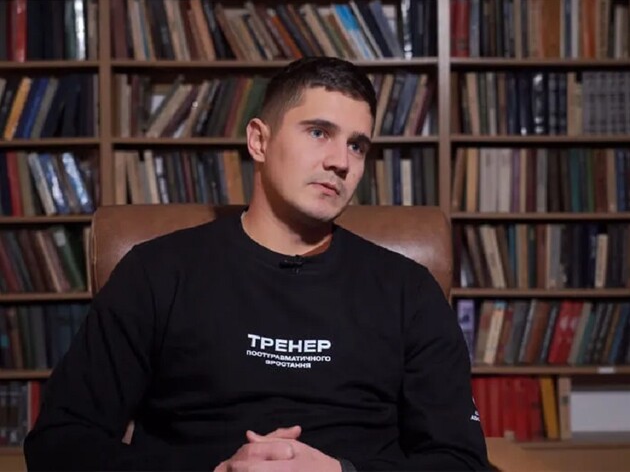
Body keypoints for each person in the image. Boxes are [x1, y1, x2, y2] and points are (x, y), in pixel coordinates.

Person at [24, 57, 490, 471]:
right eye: (319, 132)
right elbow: (59, 443)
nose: (340, 162)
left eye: (357, 145)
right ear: (259, 141)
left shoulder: (408, 290)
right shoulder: (157, 272)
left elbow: (461, 460)